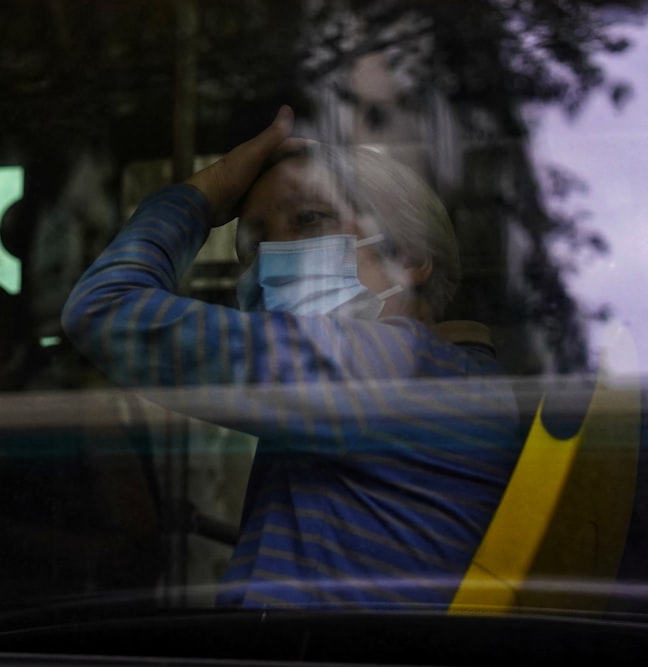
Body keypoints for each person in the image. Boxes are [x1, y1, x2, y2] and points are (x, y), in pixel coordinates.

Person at [60, 106, 522, 609]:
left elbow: (104, 308)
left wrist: (207, 191)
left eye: (307, 219)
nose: (272, 258)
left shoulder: (389, 369)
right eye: (254, 245)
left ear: (407, 257)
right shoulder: (444, 382)